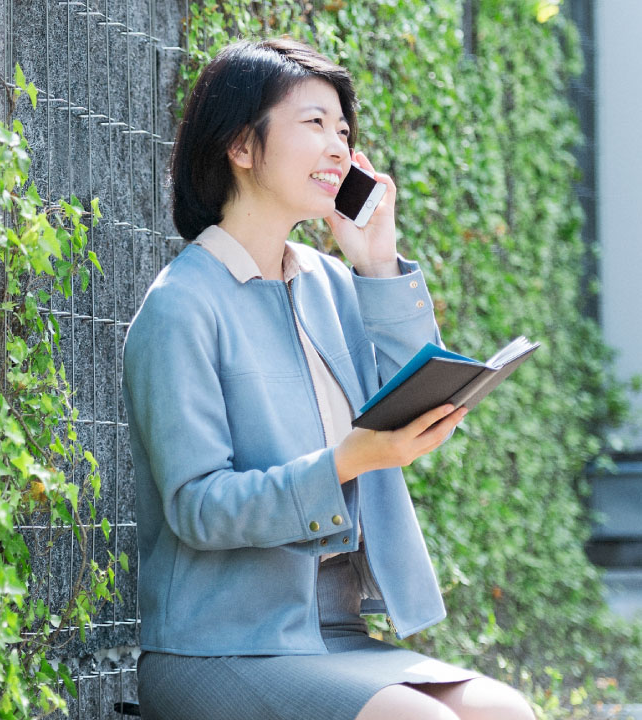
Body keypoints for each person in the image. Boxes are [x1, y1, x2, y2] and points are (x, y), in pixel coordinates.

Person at [121, 38, 534, 720]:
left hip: (334, 635)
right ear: (241, 147)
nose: (338, 147)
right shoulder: (181, 305)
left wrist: (376, 262)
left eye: (343, 130)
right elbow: (197, 505)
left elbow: (409, 390)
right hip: (218, 647)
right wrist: (344, 462)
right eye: (313, 124)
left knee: (505, 711)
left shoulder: (329, 283)